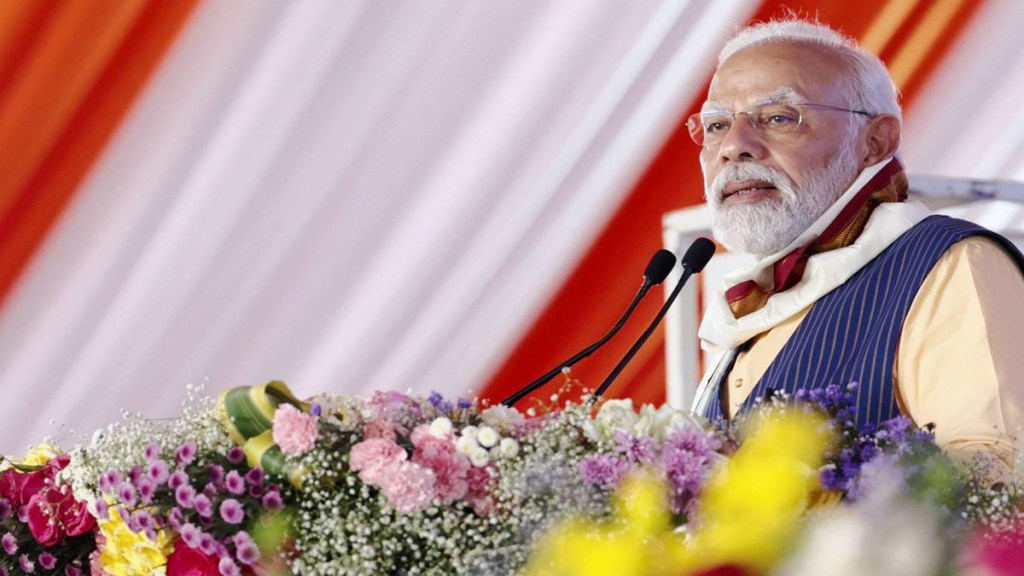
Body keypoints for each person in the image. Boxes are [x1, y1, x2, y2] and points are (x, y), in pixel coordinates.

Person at [688, 19, 1024, 474]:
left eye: (779, 118)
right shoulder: (743, 314)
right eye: (717, 125)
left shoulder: (950, 264)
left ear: (874, 142)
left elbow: (1000, 478)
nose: (735, 146)